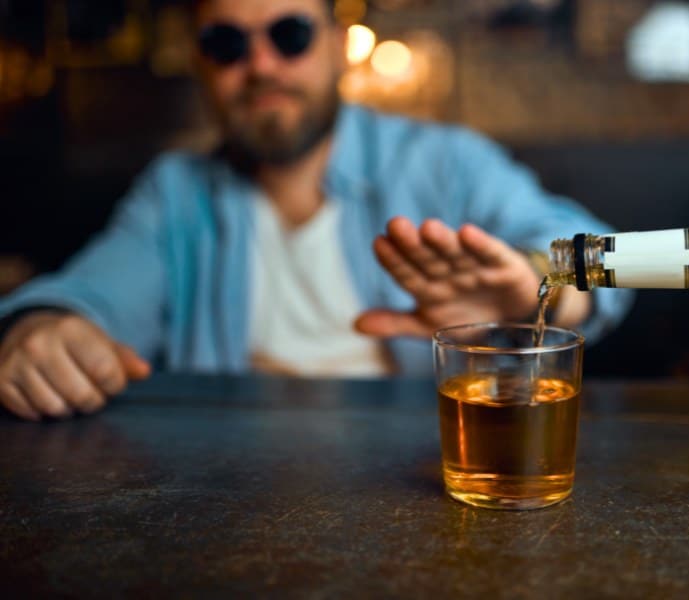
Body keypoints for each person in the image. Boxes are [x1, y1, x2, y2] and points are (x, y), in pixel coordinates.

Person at [0, 0, 632, 421]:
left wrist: (532, 289)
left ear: (336, 46)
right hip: (228, 495)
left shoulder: (442, 160)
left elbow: (595, 252)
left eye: (290, 35)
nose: (261, 67)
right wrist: (43, 331)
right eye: (226, 44)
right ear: (201, 64)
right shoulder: (176, 192)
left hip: (427, 469)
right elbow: (92, 297)